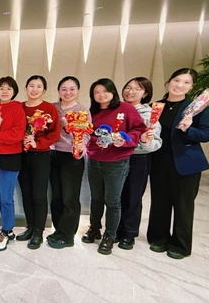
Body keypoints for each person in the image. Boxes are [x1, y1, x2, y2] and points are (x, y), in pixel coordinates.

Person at [147, 68, 209, 259]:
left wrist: (189, 129)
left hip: (186, 163)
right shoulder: (155, 106)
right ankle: (158, 237)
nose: (180, 85)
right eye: (177, 80)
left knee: (183, 205)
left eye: (186, 82)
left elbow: (206, 134)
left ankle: (180, 245)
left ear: (191, 86)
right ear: (169, 82)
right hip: (159, 161)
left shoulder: (198, 108)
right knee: (159, 202)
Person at [83, 78, 146, 255]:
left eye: (105, 91)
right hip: (94, 160)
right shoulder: (91, 112)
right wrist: (96, 141)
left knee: (112, 201)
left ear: (113, 92)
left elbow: (138, 130)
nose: (101, 95)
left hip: (117, 162)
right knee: (96, 198)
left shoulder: (126, 108)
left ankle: (110, 236)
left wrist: (123, 140)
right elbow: (87, 134)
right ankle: (94, 228)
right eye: (97, 92)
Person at [116, 77, 162, 249]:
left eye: (137, 89)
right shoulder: (116, 109)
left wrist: (144, 140)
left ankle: (129, 233)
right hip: (117, 157)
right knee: (116, 196)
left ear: (145, 94)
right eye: (128, 87)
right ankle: (115, 229)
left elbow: (155, 143)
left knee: (133, 196)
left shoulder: (149, 114)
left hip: (138, 159)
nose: (131, 92)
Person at [17, 75, 60, 249]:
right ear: (26, 88)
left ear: (44, 90)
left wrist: (38, 143)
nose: (34, 89)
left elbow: (54, 133)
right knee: (26, 193)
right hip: (21, 155)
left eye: (39, 86)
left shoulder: (49, 108)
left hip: (41, 156)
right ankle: (29, 227)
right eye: (31, 85)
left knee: (39, 195)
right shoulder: (19, 107)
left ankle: (38, 232)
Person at [47, 76, 91, 249]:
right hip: (52, 154)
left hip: (72, 156)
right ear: (58, 91)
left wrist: (82, 145)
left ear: (78, 90)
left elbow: (86, 133)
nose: (68, 92)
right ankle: (59, 230)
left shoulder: (82, 110)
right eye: (64, 89)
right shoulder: (52, 108)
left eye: (72, 89)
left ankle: (68, 236)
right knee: (56, 196)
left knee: (70, 197)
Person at [0, 76, 25, 251]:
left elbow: (18, 133)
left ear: (14, 91)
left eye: (8, 88)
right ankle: (6, 227)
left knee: (6, 196)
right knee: (0, 194)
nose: (4, 91)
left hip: (11, 156)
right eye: (1, 88)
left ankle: (7, 230)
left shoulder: (17, 108)